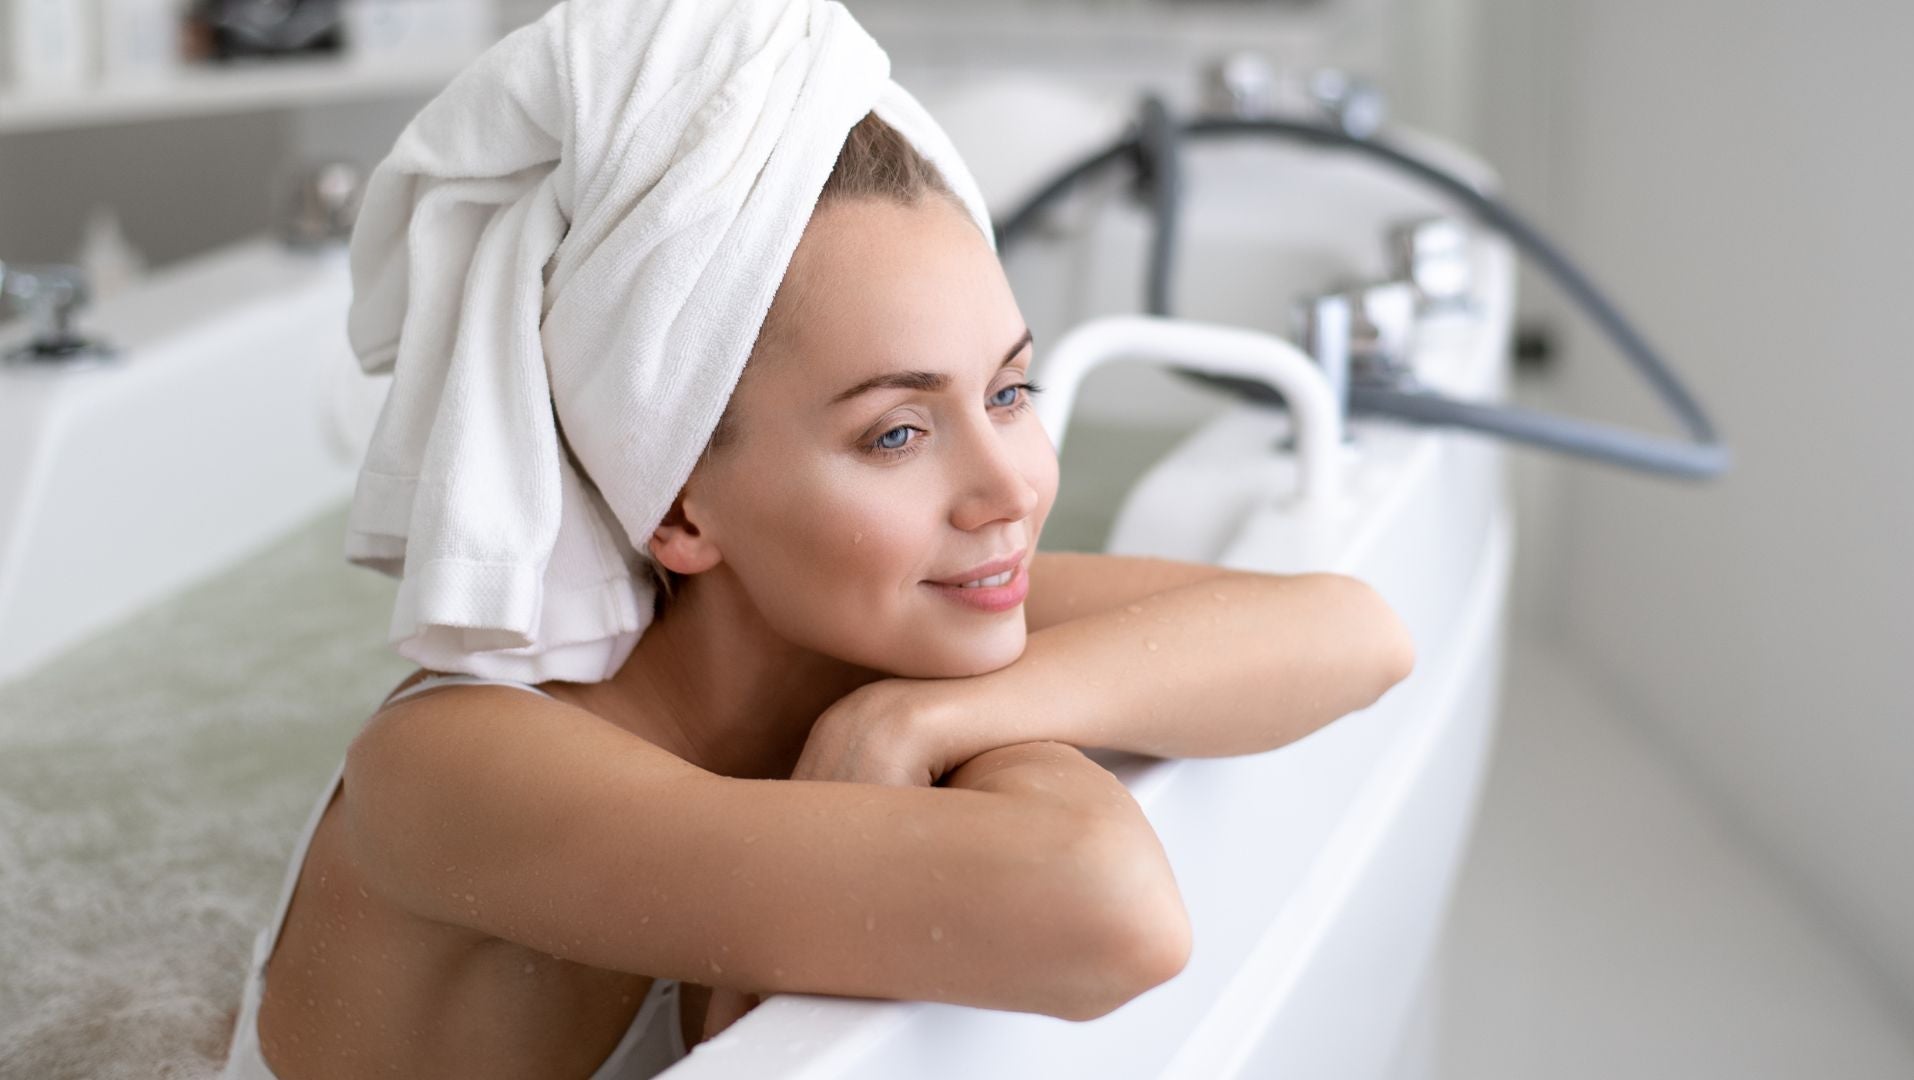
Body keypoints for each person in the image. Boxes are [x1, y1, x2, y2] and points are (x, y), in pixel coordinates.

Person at [217, 7, 1417, 1079]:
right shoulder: (451, 770)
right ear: (680, 511)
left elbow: (1358, 632)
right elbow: (1111, 912)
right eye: (898, 433)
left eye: (1009, 393)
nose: (1006, 487)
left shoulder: (865, 613)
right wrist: (948, 710)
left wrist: (925, 718)